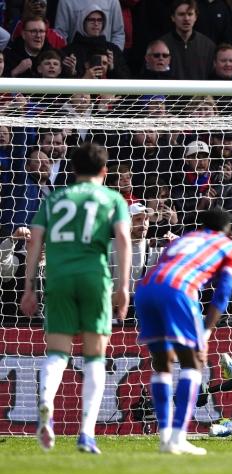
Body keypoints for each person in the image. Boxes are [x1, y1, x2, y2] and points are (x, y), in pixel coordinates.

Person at [20, 142, 132, 454]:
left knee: (57, 353)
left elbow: (34, 241)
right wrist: (123, 287)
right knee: (95, 356)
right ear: (105, 171)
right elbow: (123, 238)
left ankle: (46, 402)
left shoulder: (55, 197)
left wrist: (29, 288)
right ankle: (86, 433)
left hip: (58, 277)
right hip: (94, 277)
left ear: (72, 170)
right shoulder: (112, 197)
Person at [134, 208, 232, 455]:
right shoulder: (229, 247)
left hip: (146, 289)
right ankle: (178, 437)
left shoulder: (184, 239)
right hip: (178, 289)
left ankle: (165, 438)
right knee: (193, 363)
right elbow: (223, 294)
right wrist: (205, 333)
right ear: (228, 230)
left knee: (162, 364)